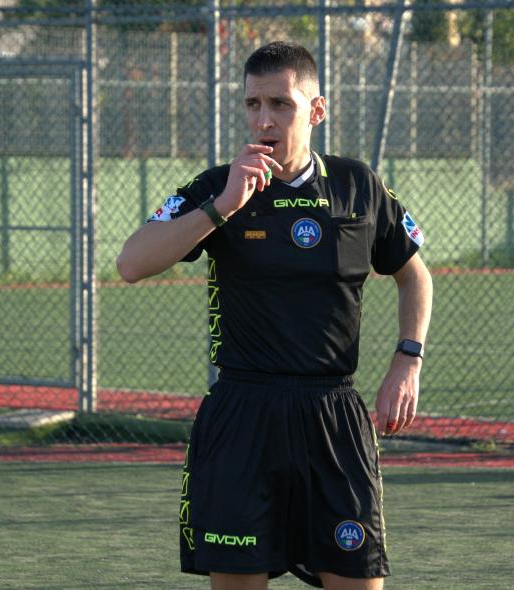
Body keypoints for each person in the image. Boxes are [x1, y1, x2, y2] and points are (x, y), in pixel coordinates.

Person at [116, 41, 432, 590]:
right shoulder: (217, 187)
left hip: (332, 415)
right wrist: (223, 207)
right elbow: (131, 263)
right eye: (253, 103)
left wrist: (408, 359)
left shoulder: (357, 185)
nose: (264, 119)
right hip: (243, 416)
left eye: (281, 104)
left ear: (316, 110)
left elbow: (414, 275)